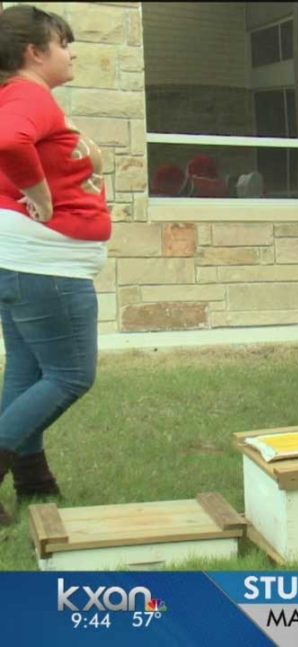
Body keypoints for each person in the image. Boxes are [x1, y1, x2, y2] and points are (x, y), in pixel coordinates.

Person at [0, 6, 109, 524]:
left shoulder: (17, 97)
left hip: (26, 260)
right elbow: (9, 142)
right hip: (46, 263)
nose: (72, 53)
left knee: (27, 371)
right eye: (62, 44)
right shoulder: (27, 95)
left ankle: (33, 482)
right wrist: (39, 193)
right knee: (70, 375)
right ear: (33, 52)